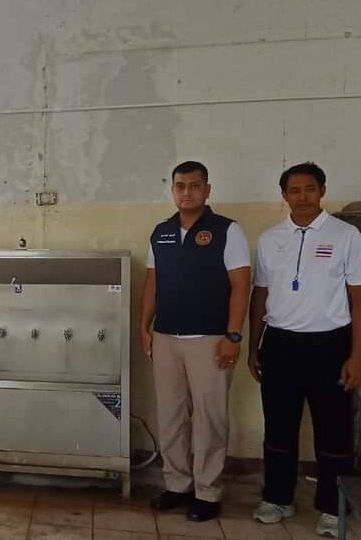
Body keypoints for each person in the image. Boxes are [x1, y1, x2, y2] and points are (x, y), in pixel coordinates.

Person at [248, 162, 361, 538]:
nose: (302, 197)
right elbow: (260, 296)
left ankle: (332, 508)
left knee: (334, 431)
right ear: (284, 195)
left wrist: (357, 356)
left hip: (329, 346)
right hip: (280, 345)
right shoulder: (270, 239)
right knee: (279, 426)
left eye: (309, 189)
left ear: (322, 191)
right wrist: (253, 346)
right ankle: (277, 498)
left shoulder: (346, 236)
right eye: (294, 190)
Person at [140, 161, 251, 522]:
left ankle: (207, 491)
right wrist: (144, 325)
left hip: (210, 338)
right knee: (171, 415)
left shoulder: (227, 230)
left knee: (209, 417)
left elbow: (241, 286)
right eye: (180, 186)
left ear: (207, 189)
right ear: (173, 190)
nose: (186, 192)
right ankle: (177, 485)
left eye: (194, 185)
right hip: (166, 337)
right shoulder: (161, 232)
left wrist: (233, 335)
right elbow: (153, 282)